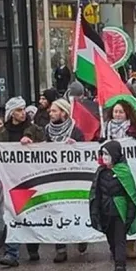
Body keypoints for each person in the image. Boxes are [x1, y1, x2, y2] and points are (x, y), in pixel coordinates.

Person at [0, 97, 44, 267]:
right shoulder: (3, 133)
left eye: (23, 109)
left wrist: (32, 144)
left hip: (31, 178)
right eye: (19, 110)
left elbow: (46, 149)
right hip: (10, 181)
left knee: (33, 212)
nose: (23, 113)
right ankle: (12, 252)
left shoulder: (34, 129)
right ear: (12, 113)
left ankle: (32, 245)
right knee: (12, 213)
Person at [89, 140, 136, 271]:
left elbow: (131, 195)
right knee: (111, 239)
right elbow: (96, 193)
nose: (104, 157)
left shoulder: (123, 171)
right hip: (105, 210)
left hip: (120, 210)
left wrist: (130, 215)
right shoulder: (100, 172)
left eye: (107, 154)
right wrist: (95, 211)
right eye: (103, 154)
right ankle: (116, 263)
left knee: (120, 239)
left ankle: (121, 267)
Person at [102, 100, 136, 259]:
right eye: (115, 112)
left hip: (131, 174)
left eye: (121, 112)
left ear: (127, 113)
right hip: (111, 176)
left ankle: (130, 244)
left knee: (131, 206)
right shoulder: (104, 128)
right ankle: (116, 246)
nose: (117, 115)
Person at [44, 98, 87, 262]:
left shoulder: (75, 131)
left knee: (75, 208)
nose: (51, 113)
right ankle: (60, 248)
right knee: (56, 211)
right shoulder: (47, 130)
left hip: (73, 177)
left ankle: (81, 237)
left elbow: (85, 153)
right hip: (53, 177)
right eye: (51, 111)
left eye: (54, 111)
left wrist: (76, 146)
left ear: (63, 112)